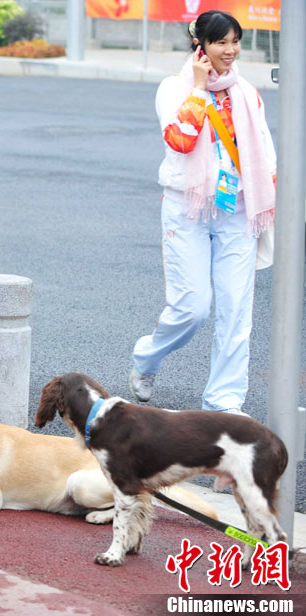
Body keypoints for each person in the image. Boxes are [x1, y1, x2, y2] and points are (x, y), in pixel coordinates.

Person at [128, 10, 275, 415]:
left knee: (236, 309)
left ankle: (223, 402)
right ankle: (147, 358)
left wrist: (268, 198)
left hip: (237, 209)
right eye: (220, 42)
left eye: (235, 41)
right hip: (187, 207)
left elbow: (265, 151)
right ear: (201, 45)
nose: (230, 50)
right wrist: (198, 88)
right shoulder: (173, 88)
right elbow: (179, 140)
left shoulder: (247, 92)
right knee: (192, 308)